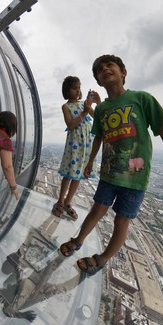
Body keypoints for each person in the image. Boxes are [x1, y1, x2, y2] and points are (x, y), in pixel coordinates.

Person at [59, 54, 163, 274]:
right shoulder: (101, 110)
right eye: (99, 69)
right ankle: (78, 240)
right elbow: (99, 137)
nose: (105, 69)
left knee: (122, 221)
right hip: (109, 174)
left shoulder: (142, 99)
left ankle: (102, 259)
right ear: (99, 81)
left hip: (135, 177)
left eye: (110, 65)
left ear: (123, 72)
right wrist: (90, 161)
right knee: (96, 211)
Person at [55, 76, 99, 219]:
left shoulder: (84, 104)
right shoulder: (66, 106)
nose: (77, 90)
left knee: (78, 175)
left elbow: (98, 116)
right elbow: (70, 124)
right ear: (67, 90)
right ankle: (60, 201)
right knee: (69, 174)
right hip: (74, 146)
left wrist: (96, 103)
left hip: (86, 146)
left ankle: (68, 202)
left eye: (79, 87)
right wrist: (85, 112)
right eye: (74, 88)